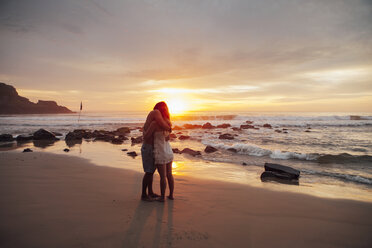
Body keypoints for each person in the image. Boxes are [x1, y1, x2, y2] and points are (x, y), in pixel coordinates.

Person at [144, 102, 174, 202]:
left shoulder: (155, 123)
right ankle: (170, 195)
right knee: (168, 174)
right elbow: (168, 138)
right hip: (168, 151)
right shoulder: (168, 123)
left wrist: (152, 135)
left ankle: (161, 197)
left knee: (160, 176)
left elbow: (146, 136)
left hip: (159, 151)